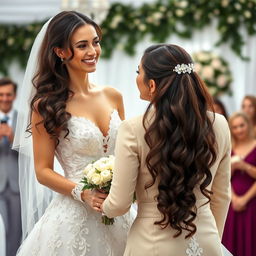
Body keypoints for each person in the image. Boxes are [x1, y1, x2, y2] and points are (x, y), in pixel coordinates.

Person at [14, 11, 132, 255]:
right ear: (60, 52)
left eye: (95, 42)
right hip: (75, 216)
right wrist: (83, 193)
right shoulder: (46, 105)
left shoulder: (113, 96)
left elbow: (127, 151)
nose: (93, 51)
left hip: (119, 209)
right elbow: (43, 171)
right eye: (82, 46)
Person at [102, 44, 232, 256]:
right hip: (206, 241)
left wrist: (101, 204)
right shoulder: (220, 124)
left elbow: (119, 205)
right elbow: (221, 196)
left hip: (152, 244)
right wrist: (212, 239)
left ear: (152, 85)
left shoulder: (134, 129)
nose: (137, 78)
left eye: (139, 72)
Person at [222, 112, 256, 256]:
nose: (239, 130)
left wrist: (245, 167)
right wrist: (234, 198)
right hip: (232, 203)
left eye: (241, 125)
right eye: (235, 127)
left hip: (252, 203)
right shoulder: (229, 147)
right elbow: (223, 177)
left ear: (248, 125)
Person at [0, 78, 22, 256]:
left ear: (14, 96)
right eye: (1, 95)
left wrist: (14, 138)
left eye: (8, 94)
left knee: (15, 231)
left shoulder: (21, 120)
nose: (5, 98)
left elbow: (32, 152)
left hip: (16, 187)